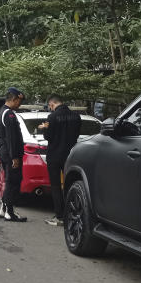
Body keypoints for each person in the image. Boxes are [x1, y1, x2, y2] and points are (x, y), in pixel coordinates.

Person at [38, 94, 82, 226]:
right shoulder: (76, 116)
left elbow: (49, 137)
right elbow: (76, 134)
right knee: (70, 185)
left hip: (55, 155)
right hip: (71, 155)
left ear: (52, 104)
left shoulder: (52, 117)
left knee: (56, 186)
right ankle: (73, 213)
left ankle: (60, 216)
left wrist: (45, 129)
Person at [0, 87, 27, 222]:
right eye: (18, 101)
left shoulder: (1, 112)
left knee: (10, 181)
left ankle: (4, 208)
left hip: (4, 152)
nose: (19, 105)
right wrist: (15, 157)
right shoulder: (9, 115)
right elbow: (11, 138)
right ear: (13, 99)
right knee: (13, 182)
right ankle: (10, 212)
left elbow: (0, 137)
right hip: (11, 154)